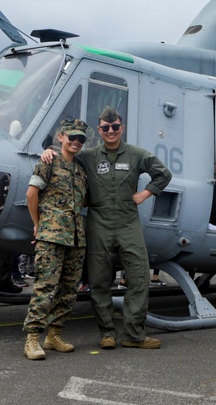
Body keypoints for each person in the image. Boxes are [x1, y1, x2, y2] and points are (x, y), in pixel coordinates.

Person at [42, 107, 172, 349]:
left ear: (121, 128)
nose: (110, 131)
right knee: (100, 281)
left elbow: (163, 174)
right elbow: (67, 153)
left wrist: (144, 194)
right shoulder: (89, 155)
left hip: (128, 223)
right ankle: (107, 333)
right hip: (98, 223)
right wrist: (48, 151)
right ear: (100, 130)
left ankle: (133, 334)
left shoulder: (136, 155)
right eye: (105, 128)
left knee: (140, 277)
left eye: (114, 127)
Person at [23, 119, 89, 361]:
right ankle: (32, 338)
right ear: (60, 137)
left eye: (81, 138)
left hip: (75, 238)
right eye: (72, 136)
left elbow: (84, 202)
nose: (76, 141)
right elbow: (32, 194)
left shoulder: (81, 171)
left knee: (68, 290)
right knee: (45, 288)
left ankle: (54, 335)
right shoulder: (48, 162)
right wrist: (38, 224)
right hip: (51, 236)